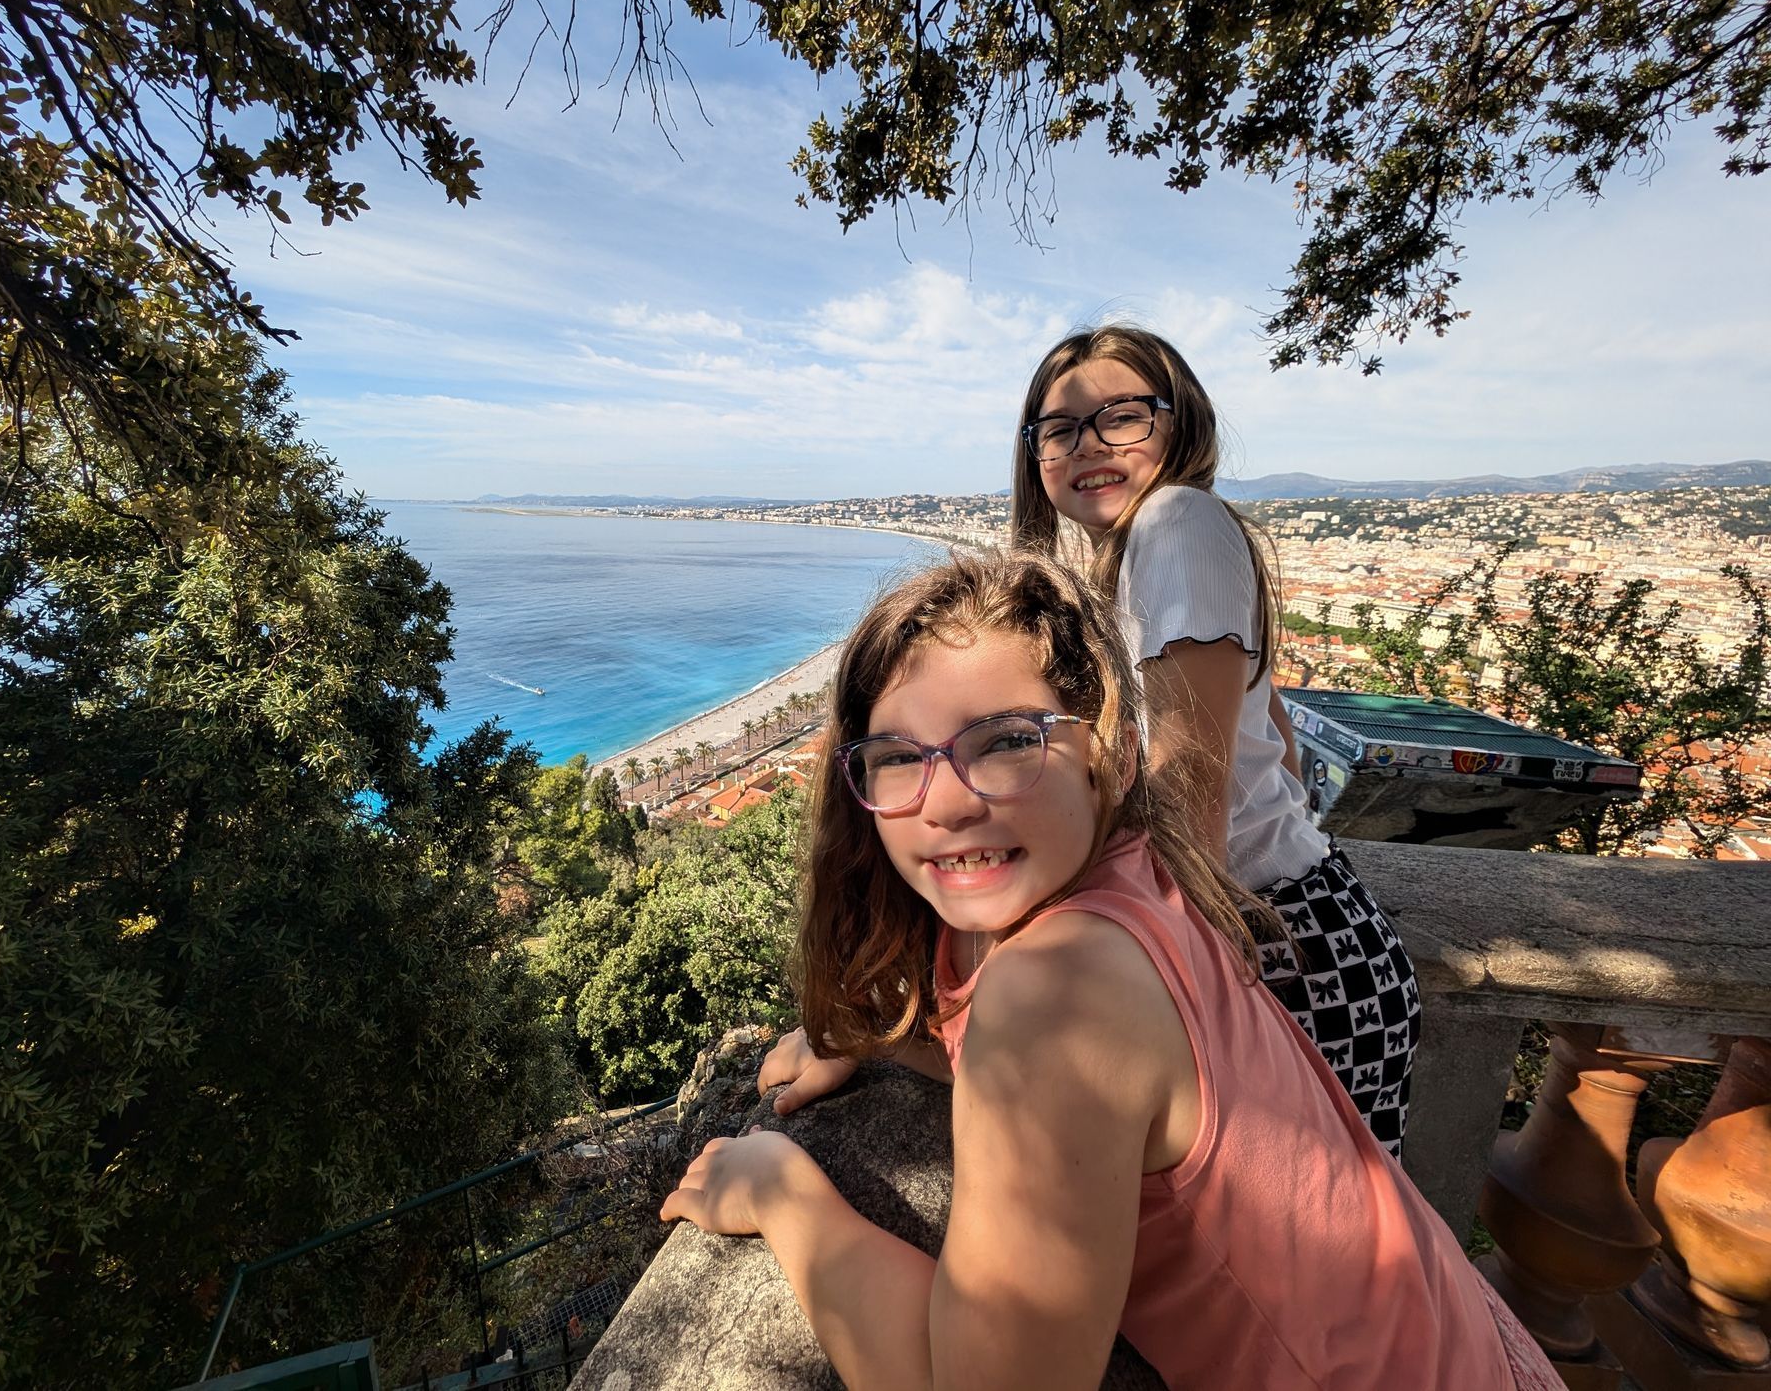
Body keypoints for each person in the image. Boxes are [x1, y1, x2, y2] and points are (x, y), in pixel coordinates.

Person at [660, 552, 1556, 1391]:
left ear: (1110, 755)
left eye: (1007, 741)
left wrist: (783, 1194)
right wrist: (885, 1040)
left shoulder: (1058, 996)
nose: (944, 802)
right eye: (900, 759)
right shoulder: (1135, 872)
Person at [1009, 324, 1419, 1155]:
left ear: (1180, 420)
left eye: (1121, 416)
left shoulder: (1176, 525)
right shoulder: (1123, 560)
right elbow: (1281, 744)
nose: (1089, 444)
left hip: (1277, 949)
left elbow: (1185, 793)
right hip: (1306, 931)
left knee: (1309, 1265)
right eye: (1060, 429)